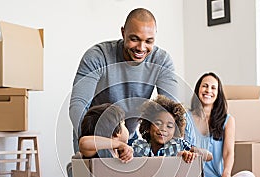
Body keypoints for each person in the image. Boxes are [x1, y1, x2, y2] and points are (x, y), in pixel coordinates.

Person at [69, 8, 178, 153]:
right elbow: (78, 104)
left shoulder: (162, 61)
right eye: (134, 39)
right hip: (95, 136)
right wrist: (94, 142)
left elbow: (171, 109)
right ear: (123, 33)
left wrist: (179, 147)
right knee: (87, 175)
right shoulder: (98, 56)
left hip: (129, 135)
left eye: (148, 41)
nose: (141, 47)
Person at [185, 72, 256, 177]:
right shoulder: (185, 116)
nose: (208, 91)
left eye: (213, 88)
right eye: (204, 86)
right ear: (198, 89)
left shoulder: (227, 120)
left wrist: (226, 175)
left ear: (218, 94)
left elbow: (229, 153)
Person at [67, 103, 133, 177]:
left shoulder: (119, 152)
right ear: (117, 132)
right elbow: (84, 142)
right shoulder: (99, 152)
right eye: (123, 124)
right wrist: (119, 144)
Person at [132, 95, 211, 163]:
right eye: (158, 123)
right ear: (148, 126)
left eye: (169, 126)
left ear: (175, 131)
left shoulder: (178, 144)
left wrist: (192, 155)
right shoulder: (139, 145)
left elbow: (209, 156)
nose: (163, 129)